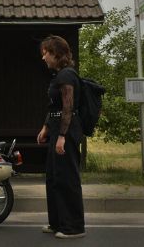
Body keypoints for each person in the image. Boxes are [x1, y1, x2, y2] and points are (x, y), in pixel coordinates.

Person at [36, 35, 86, 239]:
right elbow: (55, 107)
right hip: (57, 129)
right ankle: (57, 222)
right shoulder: (59, 75)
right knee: (54, 178)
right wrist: (46, 128)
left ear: (56, 53)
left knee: (67, 179)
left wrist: (62, 136)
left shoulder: (67, 76)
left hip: (68, 130)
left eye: (46, 53)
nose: (44, 58)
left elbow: (68, 107)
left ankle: (73, 227)